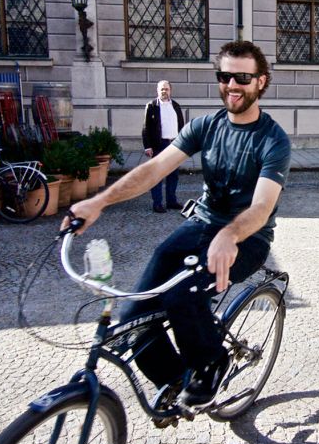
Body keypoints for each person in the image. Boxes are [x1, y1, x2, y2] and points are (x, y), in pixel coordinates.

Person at [64, 40, 291, 409]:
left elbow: (262, 206)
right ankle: (175, 382)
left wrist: (229, 234)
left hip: (245, 239)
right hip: (200, 225)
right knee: (133, 317)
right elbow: (154, 169)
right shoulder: (206, 126)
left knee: (181, 295)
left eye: (243, 78)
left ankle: (212, 362)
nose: (233, 85)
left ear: (261, 82)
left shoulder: (273, 140)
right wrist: (98, 201)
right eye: (225, 76)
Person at [142, 80, 185, 213]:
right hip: (159, 144)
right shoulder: (151, 106)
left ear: (170, 90)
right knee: (157, 175)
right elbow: (145, 128)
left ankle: (171, 201)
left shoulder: (176, 106)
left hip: (174, 144)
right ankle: (157, 203)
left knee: (173, 175)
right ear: (157, 90)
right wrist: (147, 146)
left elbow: (181, 126)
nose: (164, 91)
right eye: (161, 89)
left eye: (166, 89)